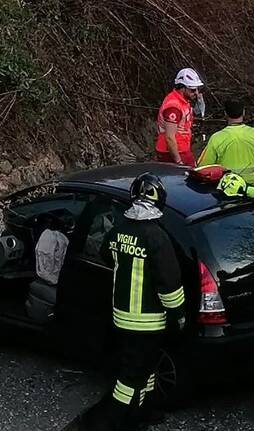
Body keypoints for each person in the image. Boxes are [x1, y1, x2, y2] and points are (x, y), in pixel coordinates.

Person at [62, 173, 186, 431]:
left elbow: (106, 253)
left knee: (147, 371)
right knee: (130, 378)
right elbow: (170, 284)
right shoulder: (157, 237)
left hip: (122, 317)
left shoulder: (120, 229)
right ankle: (108, 423)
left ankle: (142, 413)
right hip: (148, 322)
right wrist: (179, 316)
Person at [197, 100, 254, 195]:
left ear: (225, 114)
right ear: (243, 112)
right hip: (252, 188)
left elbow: (204, 167)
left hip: (226, 189)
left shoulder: (216, 138)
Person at [155, 68, 205, 167]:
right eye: (193, 90)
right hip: (172, 152)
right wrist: (178, 162)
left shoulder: (182, 101)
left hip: (181, 149)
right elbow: (169, 137)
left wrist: (200, 104)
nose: (196, 93)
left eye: (197, 89)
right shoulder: (174, 107)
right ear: (182, 88)